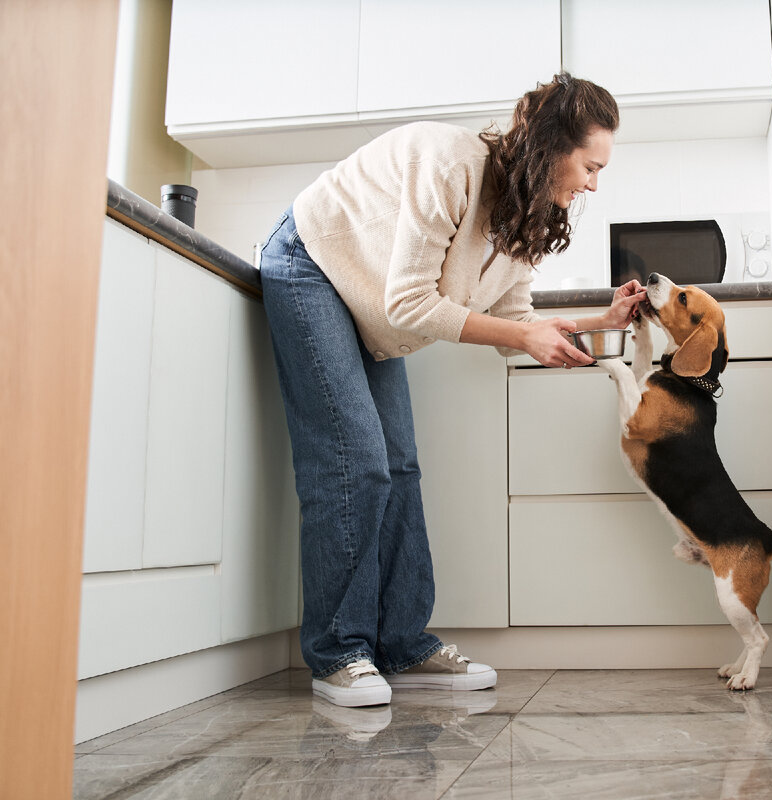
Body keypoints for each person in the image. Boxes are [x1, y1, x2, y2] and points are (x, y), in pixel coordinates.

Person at [258, 73, 643, 708]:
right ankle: (337, 654)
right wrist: (524, 340)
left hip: (367, 303)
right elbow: (411, 304)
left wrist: (598, 323)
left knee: (399, 468)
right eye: (589, 165)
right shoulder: (451, 166)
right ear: (552, 145)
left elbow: (513, 325)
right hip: (312, 264)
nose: (593, 184)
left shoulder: (528, 214)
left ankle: (403, 643)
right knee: (355, 464)